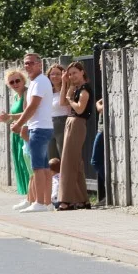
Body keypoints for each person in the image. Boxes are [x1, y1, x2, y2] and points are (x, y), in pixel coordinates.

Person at [9, 53, 53, 213]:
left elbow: (32, 107)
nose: (28, 66)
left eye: (31, 63)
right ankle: (45, 202)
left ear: (39, 64)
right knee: (43, 167)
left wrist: (19, 124)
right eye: (26, 64)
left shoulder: (40, 81)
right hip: (40, 127)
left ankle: (39, 203)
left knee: (37, 168)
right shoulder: (36, 82)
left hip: (39, 128)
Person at [0, 69, 32, 207]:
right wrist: (1, 119)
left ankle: (33, 197)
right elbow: (13, 117)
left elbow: (27, 113)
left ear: (23, 80)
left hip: (26, 131)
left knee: (29, 165)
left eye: (17, 80)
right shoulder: (15, 97)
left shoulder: (26, 93)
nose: (15, 83)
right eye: (11, 82)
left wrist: (9, 117)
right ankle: (29, 196)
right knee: (21, 163)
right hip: (16, 133)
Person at [56, 61, 93, 210]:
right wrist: (65, 83)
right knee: (75, 163)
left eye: (74, 73)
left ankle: (66, 200)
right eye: (69, 74)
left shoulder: (84, 90)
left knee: (68, 162)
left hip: (77, 123)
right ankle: (82, 200)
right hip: (71, 123)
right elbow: (62, 102)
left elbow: (79, 109)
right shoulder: (75, 88)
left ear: (82, 72)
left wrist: (71, 98)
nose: (72, 76)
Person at [47, 64, 70, 160]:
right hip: (49, 124)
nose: (54, 77)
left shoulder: (68, 90)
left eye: (58, 74)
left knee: (63, 154)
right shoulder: (48, 92)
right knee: (51, 157)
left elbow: (63, 103)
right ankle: (54, 175)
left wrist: (64, 84)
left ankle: (66, 175)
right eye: (52, 74)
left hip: (62, 122)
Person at [92, 97, 105, 206]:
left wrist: (97, 104)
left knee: (95, 161)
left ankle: (108, 189)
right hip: (100, 129)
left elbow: (102, 108)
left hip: (103, 130)